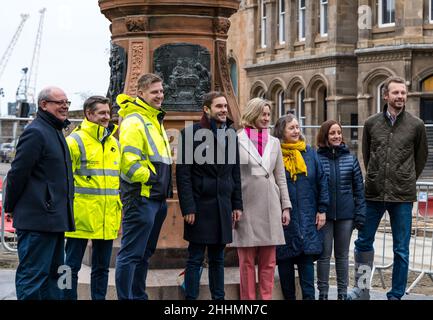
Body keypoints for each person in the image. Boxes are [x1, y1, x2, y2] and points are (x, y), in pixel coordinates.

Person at [348, 76, 428, 300]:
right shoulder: (372, 123)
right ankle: (362, 289)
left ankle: (395, 295)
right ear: (386, 96)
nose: (400, 96)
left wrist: (405, 177)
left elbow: (421, 158)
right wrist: (374, 176)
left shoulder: (416, 125)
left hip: (402, 197)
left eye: (403, 93)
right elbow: (366, 154)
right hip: (373, 194)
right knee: (363, 242)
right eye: (396, 93)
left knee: (401, 249)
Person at [4, 86, 75, 300]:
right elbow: (17, 174)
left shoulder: (55, 130)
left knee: (55, 278)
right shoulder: (36, 131)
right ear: (44, 105)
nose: (64, 106)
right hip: (38, 221)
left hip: (54, 219)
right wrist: (10, 207)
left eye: (67, 102)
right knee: (33, 278)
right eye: (59, 102)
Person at [176, 91, 243, 300]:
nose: (224, 110)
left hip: (223, 205)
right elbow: (183, 175)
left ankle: (219, 300)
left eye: (225, 106)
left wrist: (237, 205)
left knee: (218, 259)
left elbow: (235, 173)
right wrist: (188, 207)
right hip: (199, 206)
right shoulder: (190, 134)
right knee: (195, 257)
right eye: (219, 106)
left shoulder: (231, 135)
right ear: (207, 109)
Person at [115, 73, 173, 300]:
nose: (160, 96)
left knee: (144, 254)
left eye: (161, 91)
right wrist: (152, 178)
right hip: (142, 197)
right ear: (140, 93)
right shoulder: (133, 121)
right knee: (131, 254)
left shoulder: (153, 119)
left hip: (156, 199)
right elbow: (128, 164)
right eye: (154, 92)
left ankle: (138, 296)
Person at [232, 98, 291, 300]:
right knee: (246, 262)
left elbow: (280, 176)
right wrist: (234, 205)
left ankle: (265, 299)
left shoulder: (274, 142)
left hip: (270, 205)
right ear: (252, 114)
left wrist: (286, 206)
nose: (266, 118)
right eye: (262, 114)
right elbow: (232, 176)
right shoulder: (237, 140)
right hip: (246, 205)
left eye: (268, 114)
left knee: (269, 261)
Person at [63, 96, 122, 300]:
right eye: (102, 113)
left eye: (108, 113)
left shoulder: (114, 143)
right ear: (89, 114)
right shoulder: (74, 141)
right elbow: (63, 181)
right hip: (79, 218)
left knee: (102, 269)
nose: (107, 117)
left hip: (107, 218)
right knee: (69, 267)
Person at [273, 114, 329, 300]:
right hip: (285, 221)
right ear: (282, 131)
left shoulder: (309, 153)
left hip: (307, 219)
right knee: (286, 271)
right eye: (291, 128)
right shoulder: (275, 153)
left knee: (307, 279)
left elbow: (322, 181)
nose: (296, 131)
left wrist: (322, 209)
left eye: (297, 127)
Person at [315, 120, 366, 300]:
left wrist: (360, 214)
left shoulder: (351, 159)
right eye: (332, 133)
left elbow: (359, 189)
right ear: (325, 136)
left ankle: (342, 294)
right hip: (325, 216)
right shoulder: (317, 158)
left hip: (346, 216)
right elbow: (314, 188)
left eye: (339, 132)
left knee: (342, 256)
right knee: (324, 256)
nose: (336, 136)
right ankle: (322, 294)